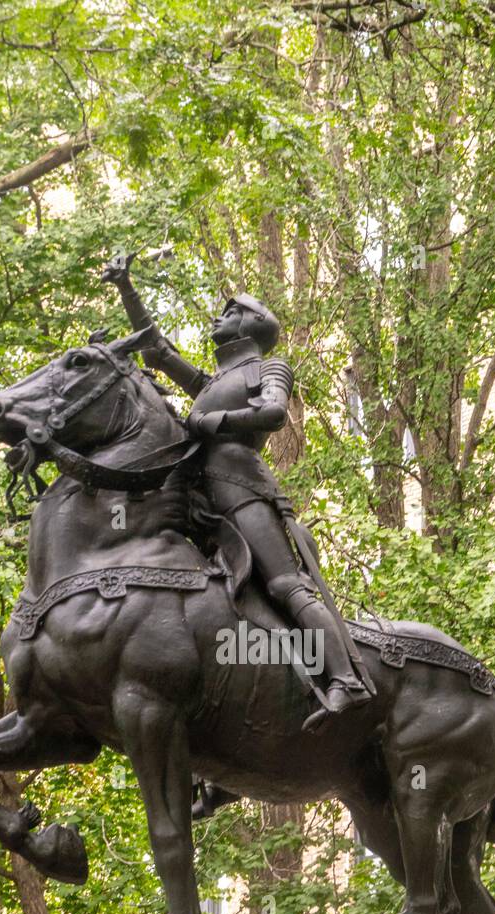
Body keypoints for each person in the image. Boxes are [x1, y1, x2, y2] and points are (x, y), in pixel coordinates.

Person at [102, 252, 374, 748]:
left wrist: (214, 424)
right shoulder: (211, 384)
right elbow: (157, 350)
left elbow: (273, 414)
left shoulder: (268, 367)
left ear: (250, 322)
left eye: (228, 312)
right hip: (203, 501)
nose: (216, 318)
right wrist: (127, 287)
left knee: (286, 585)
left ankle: (345, 681)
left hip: (244, 489)